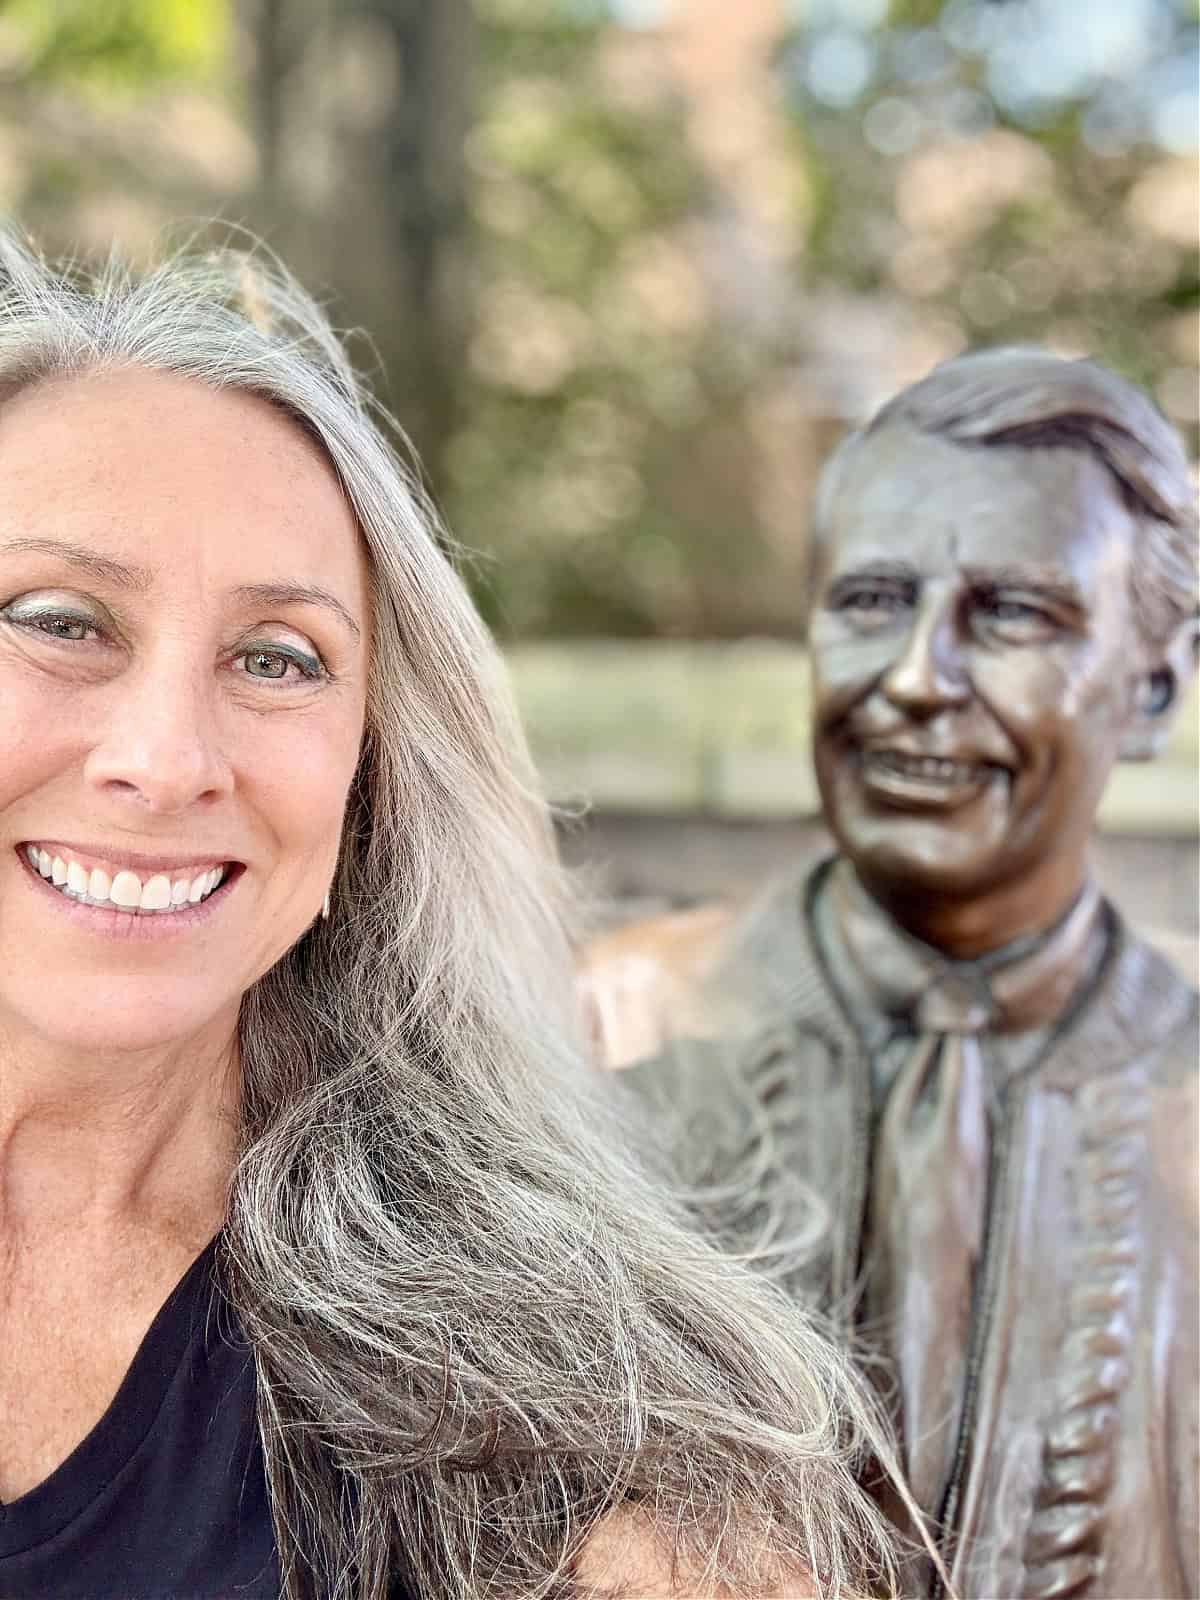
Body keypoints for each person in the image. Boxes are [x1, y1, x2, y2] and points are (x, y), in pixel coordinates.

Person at [0, 231, 914, 1600]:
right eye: (61, 619)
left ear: (373, 775)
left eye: (276, 657)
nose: (167, 757)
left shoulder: (585, 1465)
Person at [609, 349, 1200, 1599]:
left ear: (1153, 687)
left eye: (1015, 614)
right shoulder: (589, 1044)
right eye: (873, 600)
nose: (919, 676)